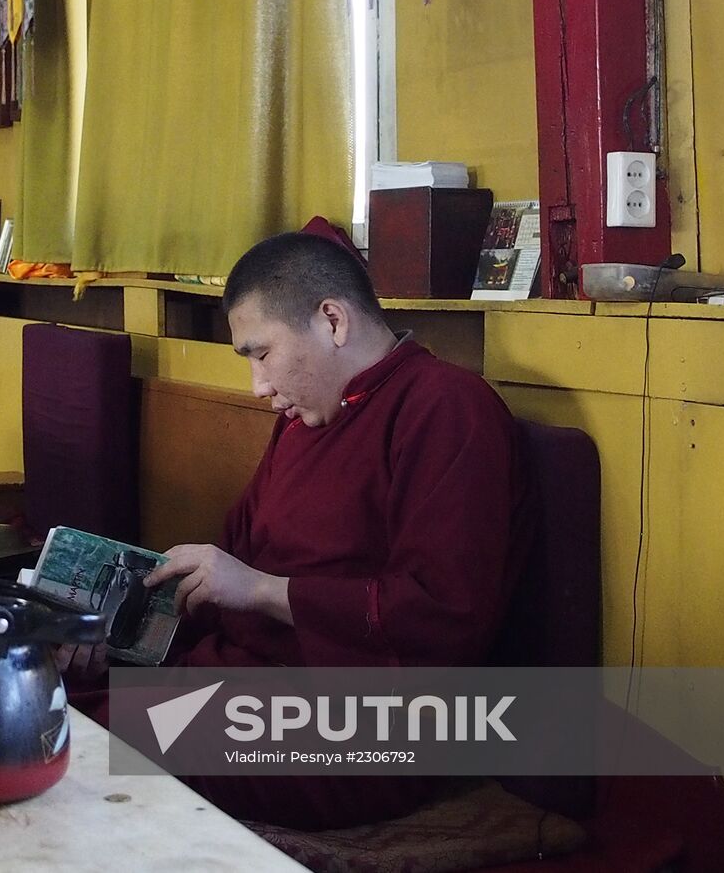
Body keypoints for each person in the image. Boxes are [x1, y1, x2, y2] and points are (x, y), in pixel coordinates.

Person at [61, 229, 530, 830]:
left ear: (332, 320)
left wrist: (261, 591)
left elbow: (442, 613)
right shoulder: (306, 420)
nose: (258, 386)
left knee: (77, 752)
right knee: (46, 707)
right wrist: (121, 643)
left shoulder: (447, 408)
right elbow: (229, 570)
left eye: (261, 354)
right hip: (243, 687)